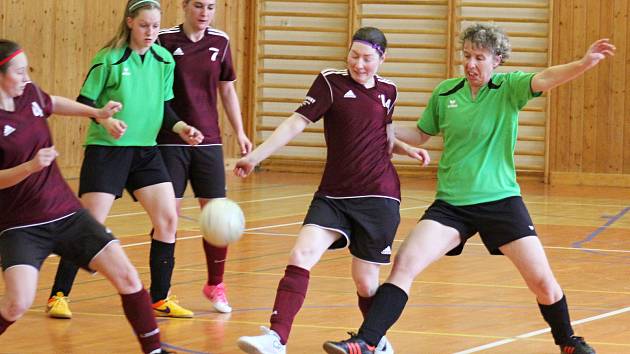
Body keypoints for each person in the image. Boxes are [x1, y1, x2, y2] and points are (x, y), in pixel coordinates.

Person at [323, 23, 616, 354]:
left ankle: (568, 342)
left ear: (497, 61)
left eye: (479, 57)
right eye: (466, 56)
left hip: (500, 201)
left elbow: (547, 77)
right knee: (404, 264)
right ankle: (367, 341)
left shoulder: (510, 87)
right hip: (451, 205)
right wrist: (373, 125)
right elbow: (420, 135)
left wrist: (583, 63)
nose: (471, 64)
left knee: (542, 283)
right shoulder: (446, 92)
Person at [233, 27, 430, 354]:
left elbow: (384, 134)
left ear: (383, 58)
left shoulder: (389, 90)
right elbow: (295, 123)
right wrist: (255, 157)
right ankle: (276, 338)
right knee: (301, 254)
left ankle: (375, 340)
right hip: (334, 194)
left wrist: (406, 150)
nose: (359, 64)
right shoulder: (330, 82)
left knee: (366, 282)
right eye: (354, 56)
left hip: (378, 195)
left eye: (368, 58)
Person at [0, 39, 175, 354]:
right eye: (19, 72)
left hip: (67, 213)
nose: (26, 78)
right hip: (20, 225)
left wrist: (97, 113)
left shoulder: (30, 94)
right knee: (16, 304)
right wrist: (29, 167)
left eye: (27, 71)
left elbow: (53, 102)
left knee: (127, 276)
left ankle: (155, 351)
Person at [46, 0, 203, 320]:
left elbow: (166, 107)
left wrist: (181, 126)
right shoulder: (109, 59)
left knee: (168, 220)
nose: (150, 32)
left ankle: (159, 298)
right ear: (130, 22)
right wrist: (104, 121)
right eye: (144, 25)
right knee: (89, 226)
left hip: (146, 152)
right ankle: (58, 295)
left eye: (156, 26)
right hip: (107, 151)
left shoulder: (163, 60)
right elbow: (85, 102)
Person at [157, 0, 253, 314]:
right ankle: (161, 290)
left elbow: (227, 90)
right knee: (167, 217)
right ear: (184, 6)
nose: (205, 13)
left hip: (209, 143)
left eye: (211, 7)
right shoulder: (165, 41)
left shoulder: (220, 41)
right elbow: (156, 93)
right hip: (171, 141)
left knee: (217, 218)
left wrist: (239, 132)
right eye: (198, 5)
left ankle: (215, 285)